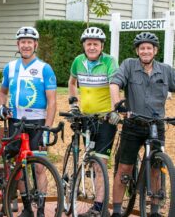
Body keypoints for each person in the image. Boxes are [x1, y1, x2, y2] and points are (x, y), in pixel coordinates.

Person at [110, 32, 175, 217]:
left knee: (156, 168)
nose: (145, 51)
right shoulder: (129, 65)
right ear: (137, 51)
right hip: (133, 124)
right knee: (125, 168)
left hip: (157, 125)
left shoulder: (166, 70)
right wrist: (116, 107)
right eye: (142, 48)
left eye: (149, 48)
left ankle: (154, 211)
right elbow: (115, 84)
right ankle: (116, 211)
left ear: (155, 51)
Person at [0, 26, 57, 217]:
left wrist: (46, 129)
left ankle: (40, 208)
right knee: (20, 166)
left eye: (29, 42)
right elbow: (2, 92)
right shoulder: (10, 67)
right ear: (18, 44)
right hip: (15, 121)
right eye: (22, 42)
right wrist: (1, 106)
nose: (26, 45)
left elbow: (52, 101)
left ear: (35, 45)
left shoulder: (44, 68)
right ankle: (27, 207)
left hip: (37, 121)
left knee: (39, 166)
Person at [68, 27, 119, 216]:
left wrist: (115, 109)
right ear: (83, 46)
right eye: (88, 44)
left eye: (95, 44)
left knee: (100, 163)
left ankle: (99, 206)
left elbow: (114, 85)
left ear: (101, 46)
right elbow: (72, 82)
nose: (92, 47)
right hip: (86, 118)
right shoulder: (78, 61)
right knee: (90, 159)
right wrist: (74, 104)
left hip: (105, 118)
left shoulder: (109, 61)